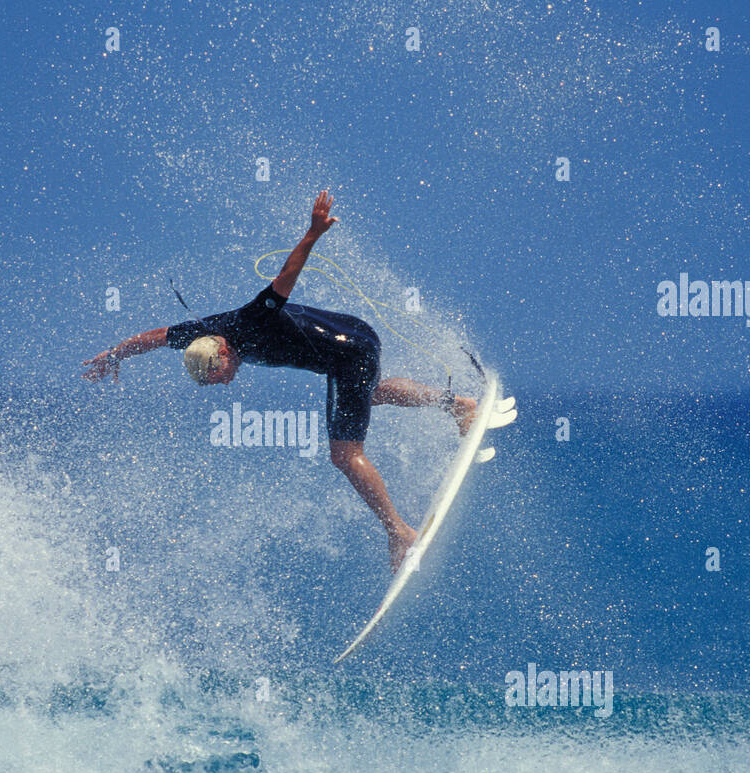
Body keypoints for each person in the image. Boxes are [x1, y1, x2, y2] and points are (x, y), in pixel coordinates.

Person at [82, 190, 481, 572]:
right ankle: (457, 404)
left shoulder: (246, 321)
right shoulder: (201, 335)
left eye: (217, 377)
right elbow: (156, 337)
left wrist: (313, 232)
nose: (222, 385)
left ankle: (399, 533)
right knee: (370, 393)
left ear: (222, 353)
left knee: (344, 455)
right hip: (358, 337)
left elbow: (285, 278)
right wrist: (114, 354)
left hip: (348, 355)